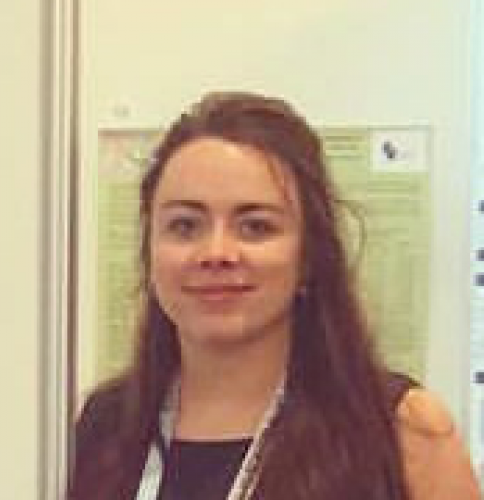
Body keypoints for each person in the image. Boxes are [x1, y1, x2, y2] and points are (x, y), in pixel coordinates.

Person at [67, 91, 480, 500]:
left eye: (256, 227)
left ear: (309, 255)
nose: (216, 253)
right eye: (185, 226)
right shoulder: (100, 429)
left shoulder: (403, 432)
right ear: (150, 250)